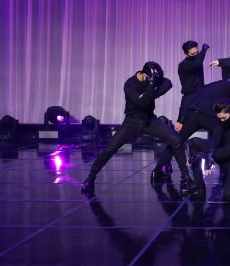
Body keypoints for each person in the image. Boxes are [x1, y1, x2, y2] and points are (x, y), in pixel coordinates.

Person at [81, 62, 190, 195]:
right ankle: (90, 178)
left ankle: (186, 177)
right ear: (144, 75)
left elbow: (168, 83)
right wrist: (151, 87)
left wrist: (152, 93)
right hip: (132, 121)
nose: (154, 80)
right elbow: (142, 103)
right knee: (110, 149)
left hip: (150, 120)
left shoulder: (152, 78)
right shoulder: (130, 84)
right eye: (151, 78)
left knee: (176, 140)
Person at [176, 41, 209, 132]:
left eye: (197, 53)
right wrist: (204, 49)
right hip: (190, 96)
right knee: (181, 124)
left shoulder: (197, 60)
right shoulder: (183, 65)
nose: (196, 55)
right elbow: (197, 64)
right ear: (186, 54)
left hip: (201, 95)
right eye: (193, 54)